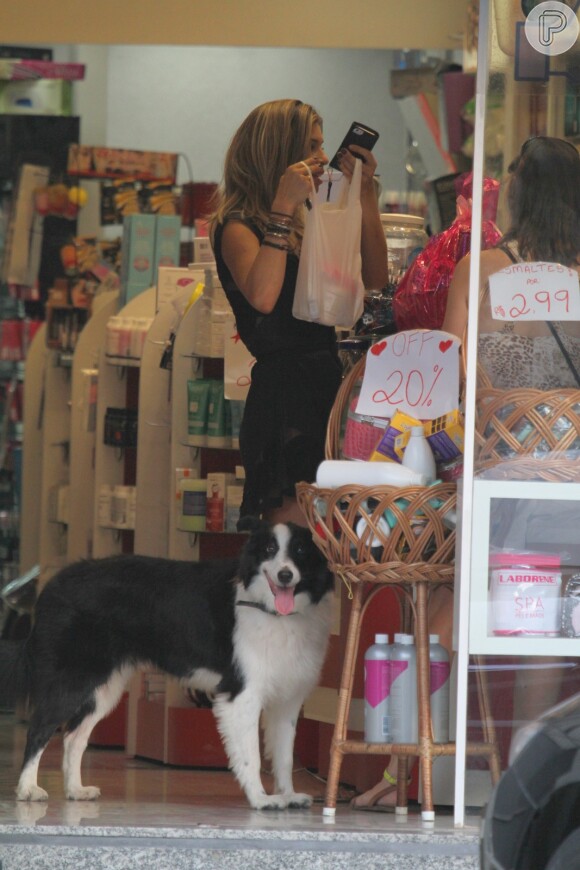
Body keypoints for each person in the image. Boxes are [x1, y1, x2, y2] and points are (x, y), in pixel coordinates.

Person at [352, 135, 580, 811]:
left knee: (444, 615)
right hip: (568, 479)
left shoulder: (481, 270)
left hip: (500, 470)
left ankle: (409, 770)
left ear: (520, 191)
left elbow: (453, 375)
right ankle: (521, 784)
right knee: (537, 628)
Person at [209, 99, 388, 526]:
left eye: (323, 146)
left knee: (329, 539)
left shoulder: (310, 219)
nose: (323, 158)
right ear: (279, 153)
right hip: (283, 396)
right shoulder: (238, 226)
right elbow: (264, 297)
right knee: (291, 542)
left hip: (325, 382)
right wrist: (283, 207)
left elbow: (376, 279)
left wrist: (363, 193)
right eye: (311, 146)